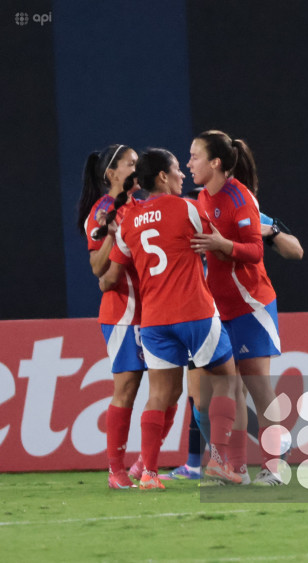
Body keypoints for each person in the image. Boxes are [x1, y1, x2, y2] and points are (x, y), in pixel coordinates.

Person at [99, 148, 242, 490]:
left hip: (153, 321)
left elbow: (110, 276)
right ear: (163, 176)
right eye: (177, 168)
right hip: (195, 313)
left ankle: (148, 473)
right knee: (227, 380)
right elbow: (221, 239)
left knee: (160, 395)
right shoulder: (188, 208)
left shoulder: (129, 221)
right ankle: (221, 462)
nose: (182, 174)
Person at [187, 130, 293, 486]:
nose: (189, 163)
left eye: (195, 156)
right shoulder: (202, 197)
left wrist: (223, 244)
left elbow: (256, 251)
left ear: (216, 162)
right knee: (224, 393)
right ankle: (237, 469)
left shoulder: (240, 196)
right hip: (219, 310)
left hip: (251, 305)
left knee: (258, 389)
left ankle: (274, 468)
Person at [78, 144, 147, 490]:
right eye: (130, 163)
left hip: (154, 311)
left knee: (169, 388)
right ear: (111, 173)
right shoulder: (102, 211)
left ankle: (145, 463)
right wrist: (113, 236)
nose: (137, 167)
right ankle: (116, 470)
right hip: (123, 313)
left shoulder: (143, 207)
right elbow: (97, 268)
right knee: (127, 389)